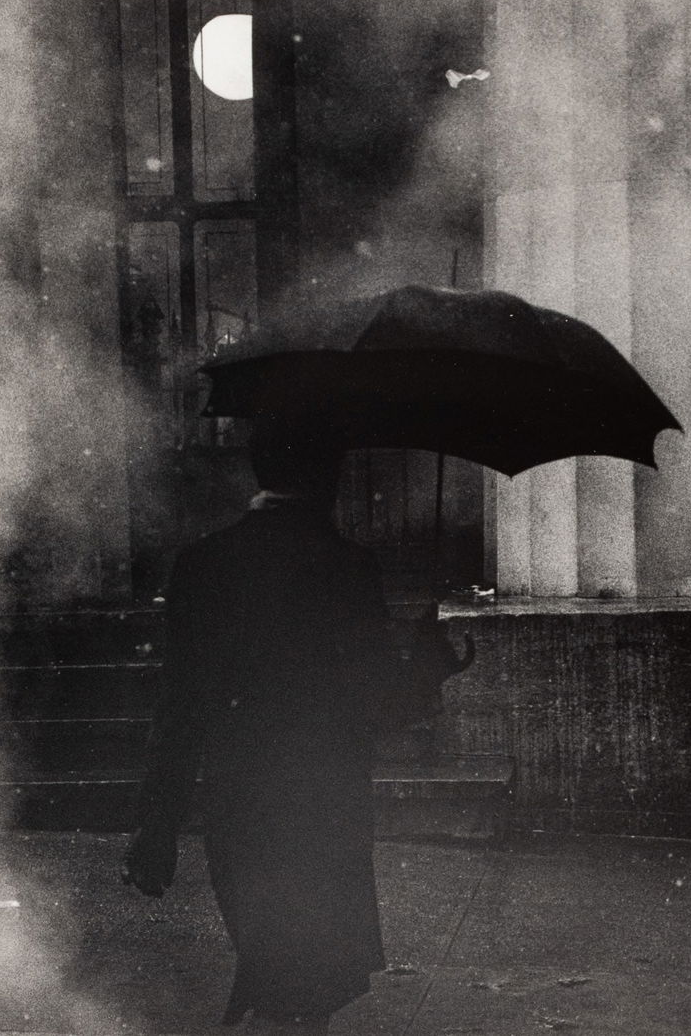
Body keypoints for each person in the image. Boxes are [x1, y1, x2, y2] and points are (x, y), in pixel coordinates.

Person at [122, 422, 467, 1035]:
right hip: (324, 798)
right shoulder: (347, 567)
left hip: (241, 800)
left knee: (274, 967)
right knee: (305, 982)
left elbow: (179, 707)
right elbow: (381, 702)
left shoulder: (203, 564)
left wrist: (159, 825)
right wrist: (429, 664)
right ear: (329, 479)